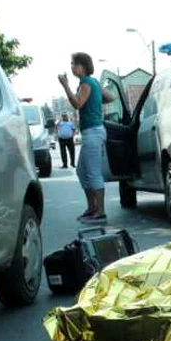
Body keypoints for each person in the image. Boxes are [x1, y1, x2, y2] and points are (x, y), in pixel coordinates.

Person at [58, 52, 117, 224]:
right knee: (81, 171)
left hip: (93, 132)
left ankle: (100, 211)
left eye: (73, 64)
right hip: (93, 131)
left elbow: (77, 104)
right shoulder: (94, 82)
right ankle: (92, 208)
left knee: (92, 172)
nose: (71, 67)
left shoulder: (85, 83)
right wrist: (96, 99)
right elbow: (111, 97)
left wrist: (65, 86)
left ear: (81, 66)